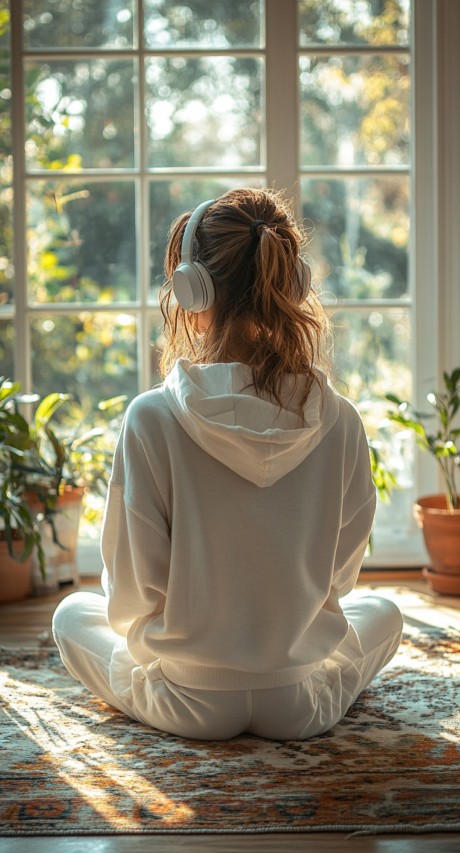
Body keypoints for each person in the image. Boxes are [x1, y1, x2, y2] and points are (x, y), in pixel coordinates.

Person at [52, 188, 403, 741]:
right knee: (384, 611)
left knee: (72, 616)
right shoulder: (340, 420)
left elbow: (131, 597)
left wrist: (177, 637)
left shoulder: (151, 418)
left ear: (192, 291)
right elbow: (340, 578)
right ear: (295, 285)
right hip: (298, 704)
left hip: (188, 699)